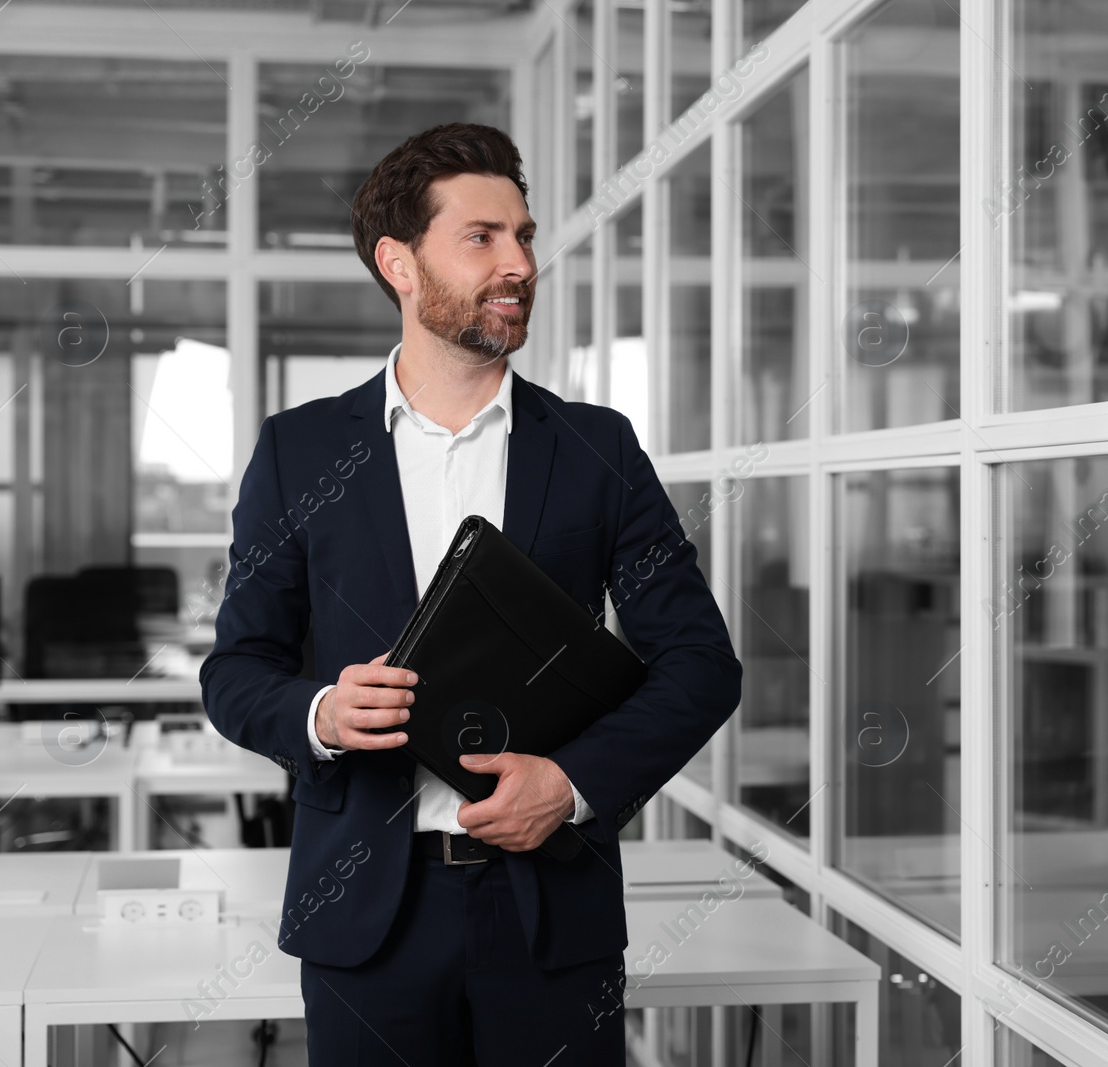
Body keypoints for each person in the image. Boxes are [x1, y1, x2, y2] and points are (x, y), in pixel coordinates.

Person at [200, 122, 743, 1066]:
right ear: (399, 264)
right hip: (366, 916)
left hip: (551, 914)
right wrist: (323, 710)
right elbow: (237, 672)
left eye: (525, 236)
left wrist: (573, 784)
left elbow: (701, 666)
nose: (519, 263)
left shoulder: (596, 447)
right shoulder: (301, 452)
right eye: (483, 237)